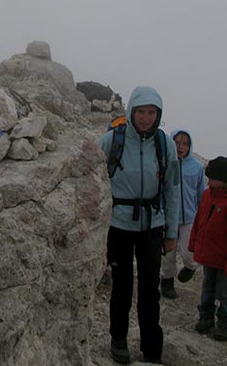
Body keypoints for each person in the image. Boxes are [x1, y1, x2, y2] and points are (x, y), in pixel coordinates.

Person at [100, 86, 180, 365]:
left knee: (149, 289)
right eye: (141, 111)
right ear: (131, 111)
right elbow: (95, 184)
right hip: (118, 224)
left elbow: (172, 189)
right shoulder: (111, 141)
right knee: (121, 286)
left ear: (158, 115)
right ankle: (118, 339)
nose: (146, 118)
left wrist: (171, 233)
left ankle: (151, 347)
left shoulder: (165, 144)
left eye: (151, 112)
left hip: (152, 225)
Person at [188, 156, 227, 341]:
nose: (209, 181)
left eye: (212, 178)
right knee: (207, 287)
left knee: (224, 292)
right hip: (208, 254)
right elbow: (199, 220)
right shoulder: (208, 195)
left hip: (224, 259)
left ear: (224, 180)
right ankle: (206, 318)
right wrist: (193, 244)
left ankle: (225, 322)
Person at [160, 129, 206, 299]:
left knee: (189, 252)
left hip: (190, 218)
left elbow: (201, 194)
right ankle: (167, 281)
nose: (181, 146)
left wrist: (202, 217)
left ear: (190, 146)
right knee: (168, 254)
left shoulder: (196, 167)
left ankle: (190, 267)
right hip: (167, 217)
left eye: (185, 143)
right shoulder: (164, 162)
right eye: (177, 142)